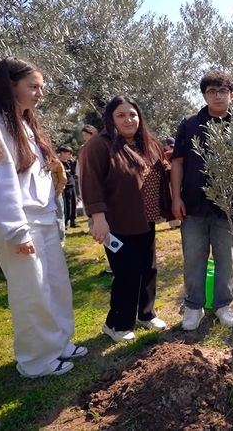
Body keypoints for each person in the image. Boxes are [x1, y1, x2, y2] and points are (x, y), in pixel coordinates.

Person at [0, 56, 85, 378]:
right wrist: (17, 233)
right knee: (31, 292)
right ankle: (36, 361)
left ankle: (60, 343)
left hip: (44, 218)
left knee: (57, 284)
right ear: (11, 85)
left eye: (42, 87)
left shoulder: (25, 123)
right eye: (33, 86)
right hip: (20, 225)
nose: (40, 93)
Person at [81, 96, 173, 342]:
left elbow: (163, 168)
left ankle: (146, 314)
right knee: (127, 273)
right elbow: (91, 184)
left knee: (148, 269)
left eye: (132, 114)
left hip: (145, 219)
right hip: (118, 222)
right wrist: (98, 219)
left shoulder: (148, 142)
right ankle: (117, 324)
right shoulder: (99, 146)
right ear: (111, 118)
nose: (128, 119)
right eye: (121, 115)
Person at [171, 70, 233, 331]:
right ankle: (193, 307)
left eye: (223, 91)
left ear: (231, 95)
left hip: (227, 208)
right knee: (193, 259)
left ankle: (223, 305)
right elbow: (177, 163)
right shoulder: (189, 125)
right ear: (204, 95)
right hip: (192, 205)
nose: (218, 96)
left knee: (226, 259)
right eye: (212, 91)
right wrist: (175, 197)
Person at [76, 124, 113, 274]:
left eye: (87, 134)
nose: (85, 138)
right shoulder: (85, 149)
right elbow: (83, 176)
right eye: (83, 135)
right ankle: (113, 262)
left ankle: (114, 263)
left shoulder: (101, 146)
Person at [58, 145, 78, 228]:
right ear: (62, 153)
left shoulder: (70, 163)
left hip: (71, 185)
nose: (70, 156)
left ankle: (73, 221)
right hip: (64, 187)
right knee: (66, 205)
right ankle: (65, 222)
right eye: (68, 154)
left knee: (73, 203)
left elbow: (73, 173)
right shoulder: (59, 164)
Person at [51, 150, 68, 245]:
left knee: (59, 217)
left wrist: (57, 191)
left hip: (56, 194)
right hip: (45, 196)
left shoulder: (57, 163)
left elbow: (63, 179)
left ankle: (61, 238)